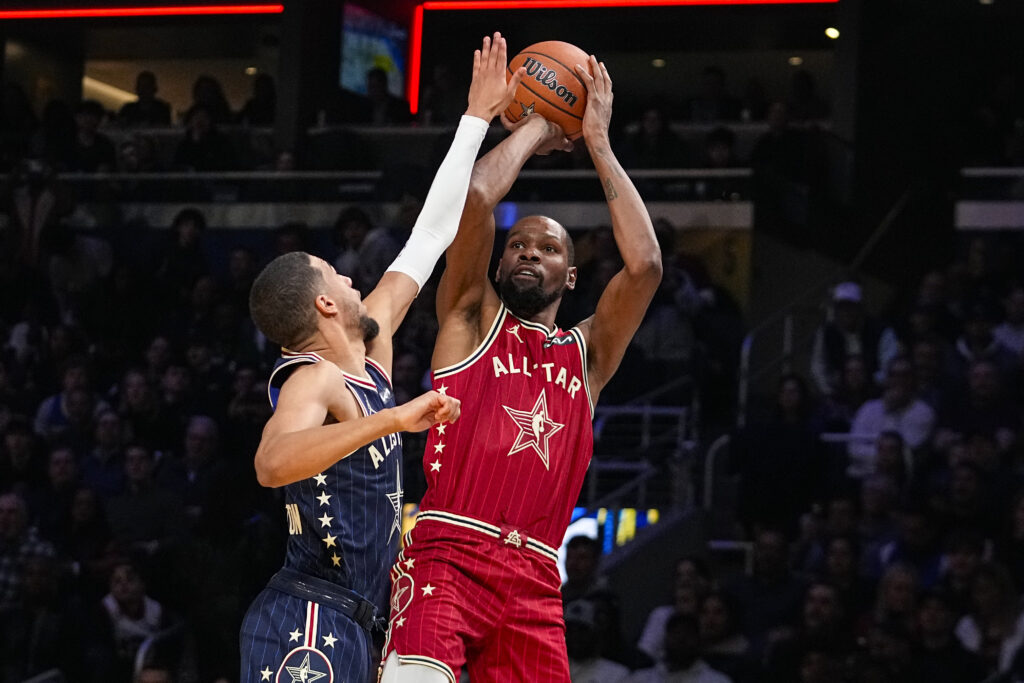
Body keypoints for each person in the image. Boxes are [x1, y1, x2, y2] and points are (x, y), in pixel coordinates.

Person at [238, 33, 523, 683]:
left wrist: (482, 120)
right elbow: (271, 461)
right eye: (339, 275)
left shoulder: (370, 352)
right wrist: (394, 421)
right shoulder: (316, 377)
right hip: (307, 617)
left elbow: (430, 234)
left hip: (359, 624)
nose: (354, 278)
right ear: (325, 308)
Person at [381, 53, 662, 683]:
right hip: (447, 559)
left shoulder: (586, 356)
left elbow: (644, 267)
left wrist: (596, 141)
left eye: (549, 247)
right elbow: (477, 194)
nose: (530, 250)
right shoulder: (469, 317)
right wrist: (538, 123)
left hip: (535, 581)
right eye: (519, 245)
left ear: (570, 273)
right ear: (501, 265)